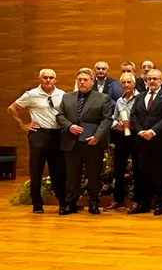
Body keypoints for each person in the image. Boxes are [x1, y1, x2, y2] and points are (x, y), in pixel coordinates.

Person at [7, 69, 67, 213]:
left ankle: (63, 202)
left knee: (58, 170)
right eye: (45, 77)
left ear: (56, 80)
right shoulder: (32, 94)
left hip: (57, 134)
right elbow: (12, 108)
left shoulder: (62, 94)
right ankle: (37, 204)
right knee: (36, 169)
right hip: (39, 134)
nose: (48, 80)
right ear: (40, 79)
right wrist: (23, 124)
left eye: (51, 77)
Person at [56, 67, 112, 215]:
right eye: (79, 80)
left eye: (85, 80)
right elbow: (60, 116)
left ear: (92, 82)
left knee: (94, 175)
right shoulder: (67, 97)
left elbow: (106, 120)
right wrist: (69, 126)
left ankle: (93, 203)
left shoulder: (103, 98)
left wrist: (97, 136)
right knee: (72, 176)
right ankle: (71, 203)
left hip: (92, 143)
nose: (82, 82)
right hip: (72, 142)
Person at [128, 69, 162, 215]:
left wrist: (152, 131)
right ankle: (143, 203)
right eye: (149, 79)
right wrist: (140, 131)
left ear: (161, 80)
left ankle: (159, 203)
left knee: (159, 173)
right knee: (142, 172)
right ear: (145, 81)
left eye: (155, 78)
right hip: (141, 141)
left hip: (158, 141)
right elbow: (133, 116)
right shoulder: (140, 97)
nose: (152, 81)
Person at [104, 72, 140, 211]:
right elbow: (114, 118)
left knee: (138, 169)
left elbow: (144, 118)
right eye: (123, 83)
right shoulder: (120, 100)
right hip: (122, 137)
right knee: (119, 169)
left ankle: (137, 201)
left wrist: (133, 124)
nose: (126, 85)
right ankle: (118, 199)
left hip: (136, 137)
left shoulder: (141, 98)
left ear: (134, 83)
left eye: (129, 82)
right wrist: (116, 124)